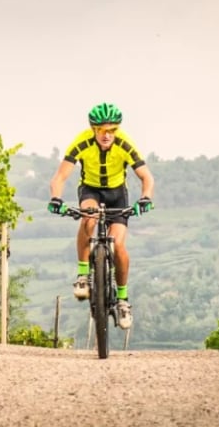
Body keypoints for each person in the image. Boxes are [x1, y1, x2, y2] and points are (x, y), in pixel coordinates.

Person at [46, 102, 154, 329]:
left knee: (117, 245)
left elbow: (147, 177)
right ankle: (83, 274)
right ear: (93, 129)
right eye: (102, 130)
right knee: (88, 218)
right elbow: (59, 177)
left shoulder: (125, 143)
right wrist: (56, 198)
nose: (107, 135)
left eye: (112, 130)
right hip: (90, 190)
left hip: (117, 195)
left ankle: (123, 300)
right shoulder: (81, 142)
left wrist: (145, 198)